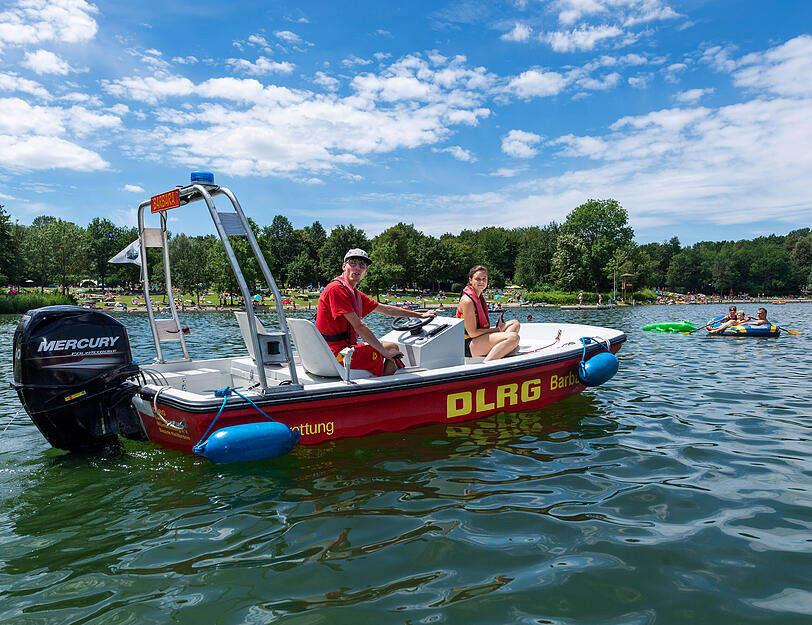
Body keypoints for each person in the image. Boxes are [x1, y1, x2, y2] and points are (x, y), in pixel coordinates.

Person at [316, 248, 436, 376]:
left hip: (334, 350)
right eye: (353, 263)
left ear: (365, 271)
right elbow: (359, 326)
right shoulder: (337, 289)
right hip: (335, 354)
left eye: (362, 265)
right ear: (344, 266)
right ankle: (384, 386)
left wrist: (420, 315)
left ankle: (381, 380)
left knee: (390, 347)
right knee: (391, 349)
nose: (357, 268)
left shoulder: (353, 293)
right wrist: (383, 352)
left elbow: (385, 309)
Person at [456, 265, 520, 361]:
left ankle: (503, 348)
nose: (481, 282)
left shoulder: (478, 296)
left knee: (515, 323)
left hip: (478, 339)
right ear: (470, 280)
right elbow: (472, 333)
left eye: (484, 279)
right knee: (514, 337)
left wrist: (498, 329)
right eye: (477, 279)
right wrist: (498, 329)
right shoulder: (468, 301)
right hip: (467, 345)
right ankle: (487, 364)